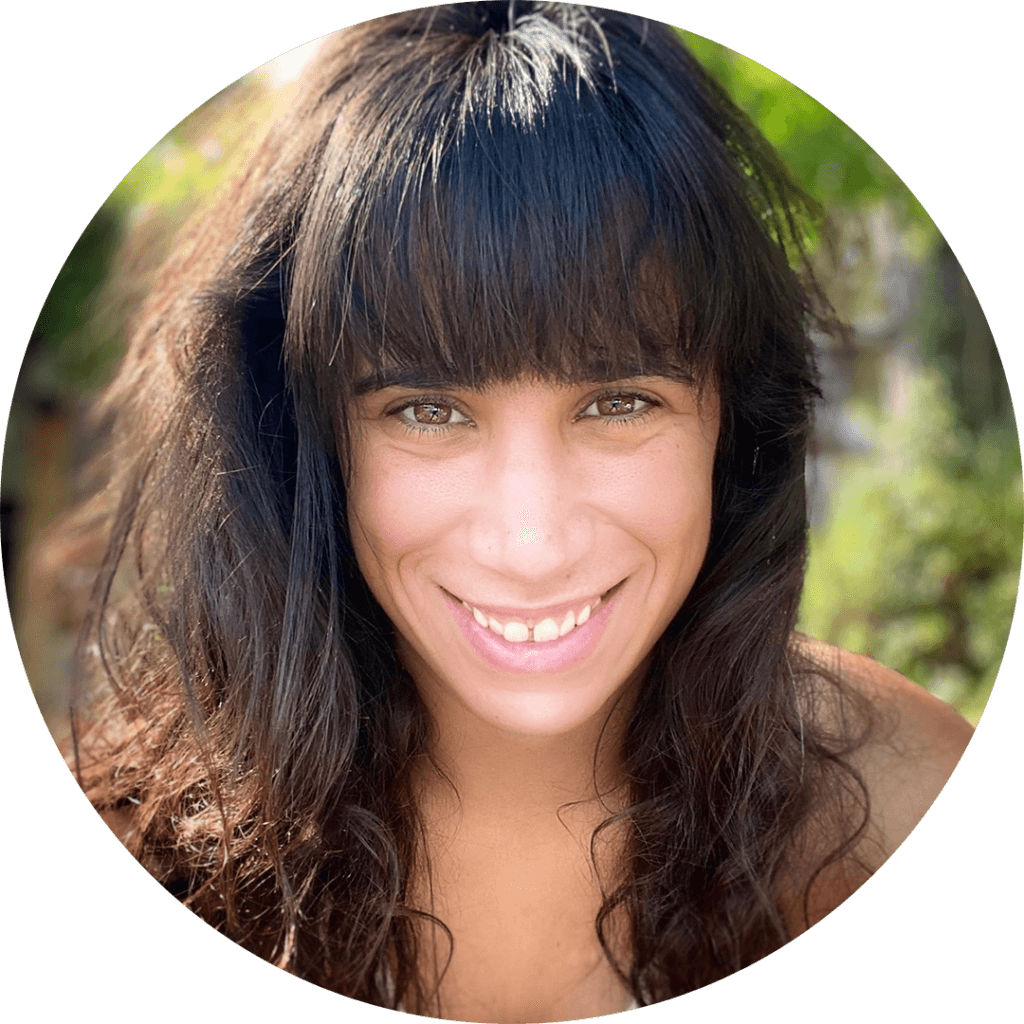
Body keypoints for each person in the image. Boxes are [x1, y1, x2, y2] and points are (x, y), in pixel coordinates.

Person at [63, 5, 974, 1020]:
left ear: (734, 422)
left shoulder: (897, 797)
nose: (530, 541)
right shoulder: (151, 842)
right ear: (307, 437)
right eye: (428, 409)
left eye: (619, 402)